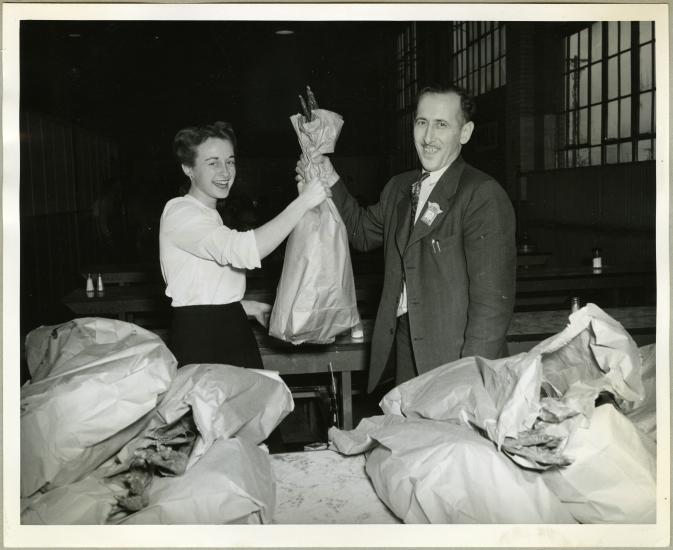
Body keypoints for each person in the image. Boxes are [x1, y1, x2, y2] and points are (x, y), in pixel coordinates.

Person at [297, 85, 516, 393]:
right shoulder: (399, 188)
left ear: (465, 132)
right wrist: (329, 175)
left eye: (442, 124)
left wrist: (469, 379)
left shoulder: (481, 195)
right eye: (421, 122)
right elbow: (360, 232)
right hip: (403, 345)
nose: (428, 137)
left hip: (454, 357)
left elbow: (492, 306)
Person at [160, 121, 329, 368]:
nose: (225, 172)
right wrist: (303, 203)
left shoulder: (209, 215)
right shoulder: (181, 212)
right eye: (212, 162)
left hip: (230, 327)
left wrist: (246, 307)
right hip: (202, 340)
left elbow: (200, 285)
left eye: (230, 161)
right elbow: (243, 251)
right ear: (188, 169)